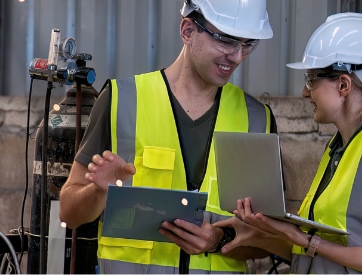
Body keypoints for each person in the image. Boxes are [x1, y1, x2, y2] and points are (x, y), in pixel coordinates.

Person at [57, 0, 280, 273]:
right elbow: (68, 213)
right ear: (187, 30)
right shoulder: (122, 100)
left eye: (247, 44)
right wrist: (98, 191)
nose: (237, 56)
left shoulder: (257, 119)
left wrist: (219, 239)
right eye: (225, 40)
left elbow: (272, 241)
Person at [212, 13, 362, 273]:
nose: (305, 92)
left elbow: (312, 245)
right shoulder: (337, 148)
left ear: (343, 85)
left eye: (311, 79)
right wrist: (261, 234)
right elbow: (316, 257)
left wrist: (302, 237)